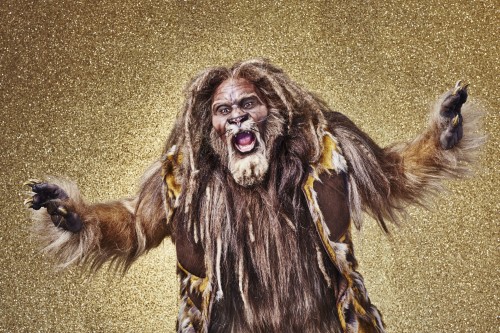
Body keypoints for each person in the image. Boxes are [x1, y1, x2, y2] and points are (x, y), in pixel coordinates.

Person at [24, 59, 483, 333]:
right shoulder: (186, 175)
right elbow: (135, 224)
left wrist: (439, 137)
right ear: (210, 128)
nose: (239, 120)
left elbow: (394, 175)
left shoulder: (324, 152)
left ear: (275, 111)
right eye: (224, 112)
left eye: (248, 106)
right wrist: (80, 217)